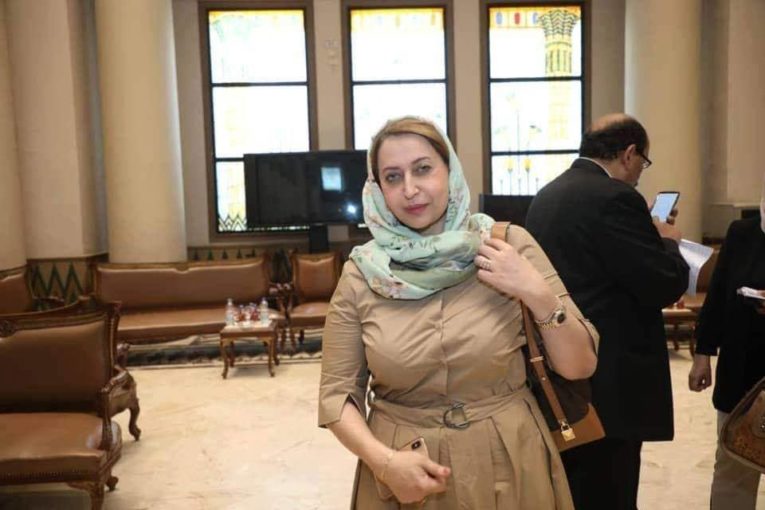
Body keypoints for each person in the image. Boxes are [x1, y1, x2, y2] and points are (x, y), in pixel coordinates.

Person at [318, 116, 598, 509]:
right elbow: (337, 396)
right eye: (393, 177)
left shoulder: (508, 245)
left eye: (423, 169)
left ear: (450, 171)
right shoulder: (362, 273)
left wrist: (535, 292)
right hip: (405, 474)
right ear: (378, 189)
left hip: (512, 459)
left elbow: (579, 365)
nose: (410, 189)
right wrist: (386, 463)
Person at [524, 113, 690, 510]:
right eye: (643, 162)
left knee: (575, 486)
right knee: (611, 487)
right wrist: (668, 241)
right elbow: (662, 283)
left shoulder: (548, 194)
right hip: (611, 373)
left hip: (561, 363)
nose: (640, 173)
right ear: (629, 154)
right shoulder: (616, 198)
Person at [688, 174, 765, 509]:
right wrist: (703, 353)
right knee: (735, 463)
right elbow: (718, 295)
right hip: (741, 366)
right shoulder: (742, 233)